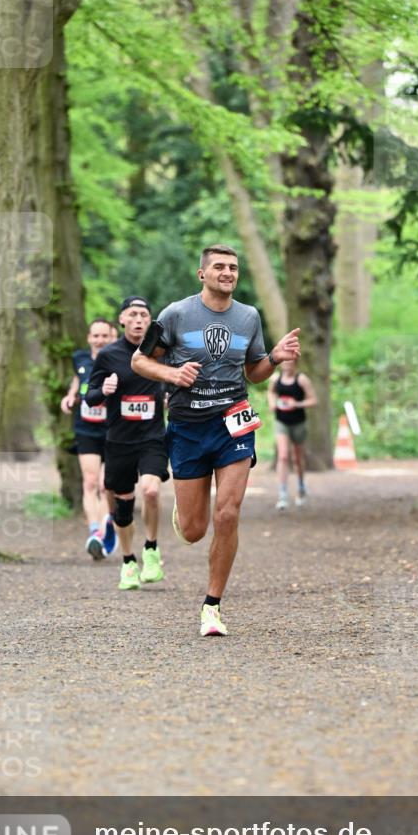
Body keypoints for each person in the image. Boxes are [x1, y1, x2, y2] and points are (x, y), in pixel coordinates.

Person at [131, 244, 301, 637]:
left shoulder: (249, 317)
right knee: (194, 530)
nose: (228, 272)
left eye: (234, 267)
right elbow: (140, 360)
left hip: (233, 423)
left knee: (228, 512)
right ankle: (185, 515)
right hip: (189, 427)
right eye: (220, 267)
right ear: (202, 274)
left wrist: (274, 357)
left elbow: (254, 372)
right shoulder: (175, 314)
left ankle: (212, 606)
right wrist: (173, 376)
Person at [85, 296, 169, 590]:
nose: (138, 319)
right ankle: (128, 561)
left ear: (149, 320)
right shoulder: (108, 355)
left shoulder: (161, 352)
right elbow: (90, 395)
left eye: (144, 314)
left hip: (153, 437)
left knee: (150, 491)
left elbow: (175, 382)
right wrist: (103, 390)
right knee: (122, 507)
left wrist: (170, 394)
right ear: (121, 319)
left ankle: (151, 548)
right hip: (119, 441)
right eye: (132, 314)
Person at [61, 318, 118, 560]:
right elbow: (78, 378)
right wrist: (71, 395)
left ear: (111, 337)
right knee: (91, 482)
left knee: (107, 485)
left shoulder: (118, 359)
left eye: (104, 336)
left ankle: (105, 531)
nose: (100, 340)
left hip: (112, 429)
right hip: (86, 428)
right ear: (89, 338)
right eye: (95, 336)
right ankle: (95, 532)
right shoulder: (80, 359)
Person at [267, 359, 317, 510]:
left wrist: (297, 404)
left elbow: (313, 400)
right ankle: (282, 494)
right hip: (281, 422)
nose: (287, 364)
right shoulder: (275, 378)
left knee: (297, 458)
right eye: (284, 361)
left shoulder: (301, 379)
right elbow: (271, 392)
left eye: (290, 362)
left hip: (298, 422)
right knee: (283, 456)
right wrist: (272, 403)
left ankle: (301, 487)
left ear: (295, 363)